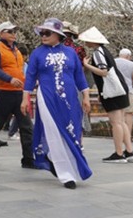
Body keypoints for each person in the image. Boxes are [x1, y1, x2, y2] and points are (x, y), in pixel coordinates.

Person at [21, 18, 92, 189]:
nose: (43, 36)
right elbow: (30, 77)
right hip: (47, 98)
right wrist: (25, 98)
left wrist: (87, 97)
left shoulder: (71, 53)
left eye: (47, 33)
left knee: (71, 130)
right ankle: (65, 174)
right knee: (53, 130)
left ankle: (64, 163)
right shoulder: (37, 53)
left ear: (58, 35)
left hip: (70, 100)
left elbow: (79, 77)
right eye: (42, 33)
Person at [0, 21, 35, 169]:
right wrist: (10, 79)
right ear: (1, 34)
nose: (13, 34)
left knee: (26, 127)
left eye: (14, 31)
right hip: (3, 92)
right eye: (10, 31)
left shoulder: (17, 51)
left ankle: (28, 159)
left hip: (18, 93)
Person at [79, 26, 133, 163]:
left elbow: (103, 72)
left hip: (112, 91)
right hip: (121, 89)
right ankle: (129, 151)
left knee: (116, 122)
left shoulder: (98, 53)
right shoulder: (105, 51)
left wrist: (87, 65)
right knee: (121, 121)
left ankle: (119, 153)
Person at [62, 21, 92, 136]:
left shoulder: (52, 48)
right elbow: (82, 69)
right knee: (77, 111)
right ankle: (78, 138)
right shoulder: (79, 49)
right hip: (75, 82)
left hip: (57, 82)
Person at [115, 48, 133, 139]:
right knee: (128, 113)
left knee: (117, 114)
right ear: (128, 56)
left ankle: (118, 135)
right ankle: (127, 136)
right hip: (128, 91)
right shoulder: (131, 64)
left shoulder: (113, 62)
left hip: (115, 91)